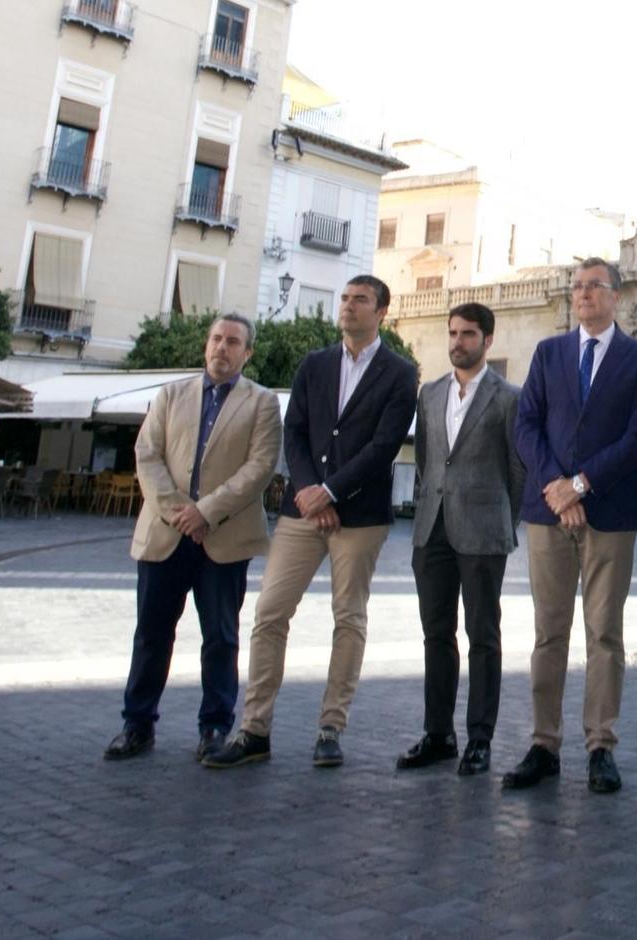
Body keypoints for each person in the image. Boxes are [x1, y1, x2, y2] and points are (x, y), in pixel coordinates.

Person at [205, 276, 418, 771]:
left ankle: (330, 727)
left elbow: (384, 447)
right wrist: (308, 490)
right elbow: (294, 431)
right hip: (303, 509)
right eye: (344, 298)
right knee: (270, 612)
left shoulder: (400, 372)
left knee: (348, 618)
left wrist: (332, 490)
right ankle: (254, 728)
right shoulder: (314, 364)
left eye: (360, 300)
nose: (347, 306)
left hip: (360, 515)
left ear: (381, 312)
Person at [503, 257, 637, 796]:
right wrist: (556, 485)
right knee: (549, 632)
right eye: (577, 287)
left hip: (609, 513)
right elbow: (527, 424)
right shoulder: (548, 353)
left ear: (615, 295)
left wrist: (583, 485)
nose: (582, 295)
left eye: (593, 287)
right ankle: (544, 745)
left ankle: (600, 747)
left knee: (604, 633)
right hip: (548, 511)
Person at [105, 313, 281, 762]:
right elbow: (148, 455)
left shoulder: (262, 403)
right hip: (165, 535)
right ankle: (137, 724)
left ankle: (214, 728)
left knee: (220, 637)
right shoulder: (171, 394)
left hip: (223, 539)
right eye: (216, 339)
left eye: (233, 342)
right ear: (206, 345)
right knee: (151, 634)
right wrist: (178, 513)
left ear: (248, 352)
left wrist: (204, 512)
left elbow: (259, 469)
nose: (222, 348)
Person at [398, 302, 524, 778]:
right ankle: (438, 734)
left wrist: (502, 519)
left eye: (468, 334)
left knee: (483, 637)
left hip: (483, 532)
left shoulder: (509, 397)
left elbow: (517, 468)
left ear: (487, 340)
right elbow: (430, 461)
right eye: (452, 333)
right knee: (436, 635)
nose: (458, 342)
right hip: (431, 530)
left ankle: (480, 738)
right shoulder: (428, 394)